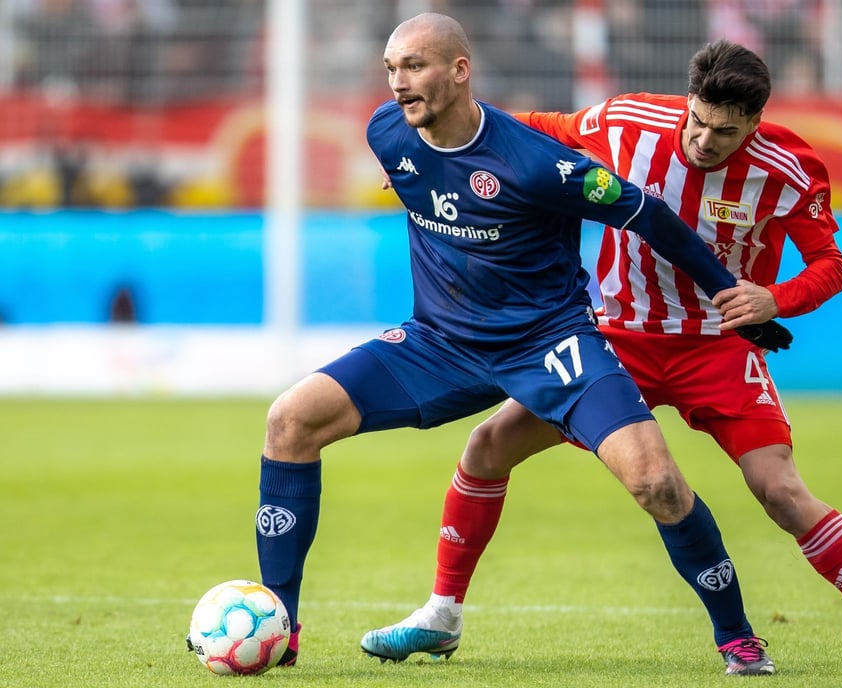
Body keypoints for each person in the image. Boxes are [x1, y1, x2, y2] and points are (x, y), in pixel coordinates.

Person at [360, 40, 842, 677]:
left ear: (754, 123)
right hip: (614, 340)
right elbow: (525, 132)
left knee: (779, 490)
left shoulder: (788, 166)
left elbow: (831, 265)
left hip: (715, 347)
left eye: (724, 132)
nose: (702, 141)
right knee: (486, 446)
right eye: (696, 121)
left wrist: (774, 298)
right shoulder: (626, 122)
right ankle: (441, 615)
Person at [249, 14, 791, 673]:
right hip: (439, 342)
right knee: (289, 421)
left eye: (414, 66)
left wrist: (727, 293)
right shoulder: (388, 133)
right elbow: (428, 181)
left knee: (656, 482)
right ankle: (278, 627)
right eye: (391, 68)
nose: (398, 83)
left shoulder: (539, 164)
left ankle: (736, 636)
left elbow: (648, 213)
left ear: (459, 69)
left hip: (550, 345)